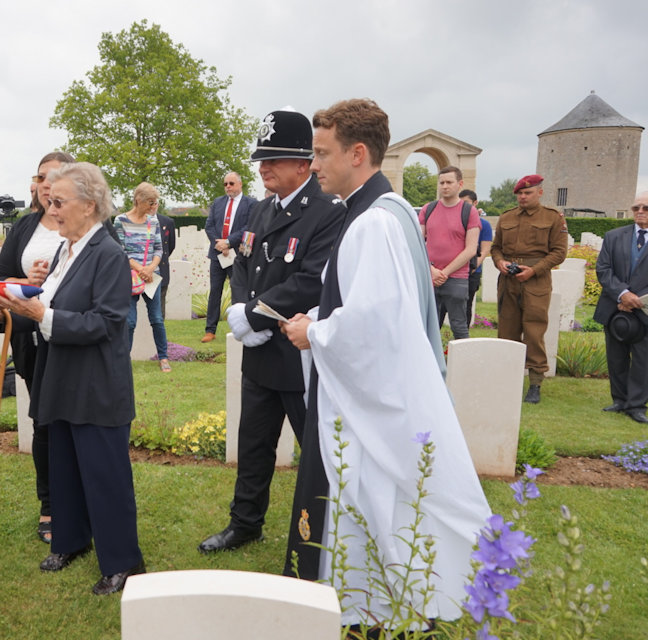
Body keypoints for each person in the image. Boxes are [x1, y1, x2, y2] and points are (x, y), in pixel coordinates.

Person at [281, 99, 490, 630]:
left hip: (371, 403)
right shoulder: (389, 210)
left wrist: (314, 331)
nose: (314, 165)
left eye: (321, 153)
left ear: (357, 153)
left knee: (373, 503)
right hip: (389, 389)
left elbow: (373, 326)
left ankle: (370, 607)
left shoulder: (373, 223)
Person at [0, 161, 145, 596]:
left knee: (104, 473)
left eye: (59, 202)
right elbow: (57, 305)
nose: (52, 209)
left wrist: (44, 314)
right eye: (49, 200)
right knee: (63, 465)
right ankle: (72, 539)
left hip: (96, 384)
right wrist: (28, 296)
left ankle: (123, 562)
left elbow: (106, 322)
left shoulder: (109, 254)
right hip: (60, 377)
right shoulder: (67, 249)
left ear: (90, 204)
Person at [198, 108, 345, 554]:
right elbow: (244, 261)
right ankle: (245, 524)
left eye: (274, 160)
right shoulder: (260, 209)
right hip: (261, 352)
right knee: (254, 444)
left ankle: (328, 530)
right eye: (262, 160)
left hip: (298, 353)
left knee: (316, 452)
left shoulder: (326, 213)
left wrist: (256, 316)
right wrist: (242, 309)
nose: (264, 168)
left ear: (303, 164)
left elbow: (310, 278)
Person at [0, 150, 73, 545]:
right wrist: (24, 281)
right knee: (43, 423)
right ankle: (50, 505)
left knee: (73, 425)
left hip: (75, 343)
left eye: (54, 177)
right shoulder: (24, 228)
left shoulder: (91, 225)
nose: (45, 184)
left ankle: (80, 500)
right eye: (41, 177)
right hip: (33, 343)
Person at [490, 174, 567, 404]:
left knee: (534, 332)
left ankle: (535, 383)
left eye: (528, 193)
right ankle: (507, 379)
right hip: (509, 281)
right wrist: (500, 262)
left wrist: (534, 270)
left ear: (540, 193)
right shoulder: (506, 218)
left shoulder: (552, 218)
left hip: (536, 281)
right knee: (507, 331)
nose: (522, 197)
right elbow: (496, 248)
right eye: (520, 194)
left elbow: (559, 252)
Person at [594, 192, 648, 424]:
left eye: (646, 208)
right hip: (616, 306)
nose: (640, 212)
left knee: (642, 359)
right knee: (615, 357)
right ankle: (619, 399)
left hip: (644, 309)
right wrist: (623, 294)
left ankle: (636, 405)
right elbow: (604, 270)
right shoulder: (614, 236)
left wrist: (638, 299)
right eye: (636, 207)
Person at [419, 166, 480, 339]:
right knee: (427, 327)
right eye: (442, 182)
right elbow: (418, 242)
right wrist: (431, 270)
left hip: (457, 278)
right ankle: (428, 365)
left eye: (449, 182)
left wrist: (444, 272)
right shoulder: (428, 209)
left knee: (459, 326)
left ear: (459, 184)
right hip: (429, 276)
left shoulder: (469, 212)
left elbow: (470, 249)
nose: (445, 186)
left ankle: (464, 365)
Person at [114, 182, 170, 371]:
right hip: (129, 277)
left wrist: (151, 268)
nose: (153, 207)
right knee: (129, 322)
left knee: (157, 319)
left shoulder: (153, 221)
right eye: (150, 202)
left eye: (155, 203)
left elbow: (159, 249)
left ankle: (163, 357)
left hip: (151, 277)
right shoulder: (120, 221)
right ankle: (124, 361)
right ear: (139, 200)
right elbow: (120, 251)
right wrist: (140, 269)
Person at [202, 172, 256, 342]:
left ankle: (238, 328)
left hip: (238, 255)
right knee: (215, 292)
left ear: (240, 184)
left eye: (231, 183)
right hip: (218, 254)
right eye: (225, 184)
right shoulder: (218, 202)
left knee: (238, 291)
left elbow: (249, 226)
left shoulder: (251, 204)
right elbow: (209, 226)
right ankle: (210, 330)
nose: (228, 187)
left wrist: (229, 242)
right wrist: (219, 244)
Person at [459, 189, 493, 324]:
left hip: (472, 272)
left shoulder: (484, 225)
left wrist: (472, 267)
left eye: (466, 203)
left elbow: (485, 250)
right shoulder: (456, 221)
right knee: (442, 306)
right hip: (452, 271)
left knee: (466, 306)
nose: (463, 207)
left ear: (475, 203)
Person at [156, 211, 176, 318]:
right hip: (139, 269)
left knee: (160, 303)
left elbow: (170, 246)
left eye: (154, 203)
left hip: (161, 267)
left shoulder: (167, 222)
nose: (152, 206)